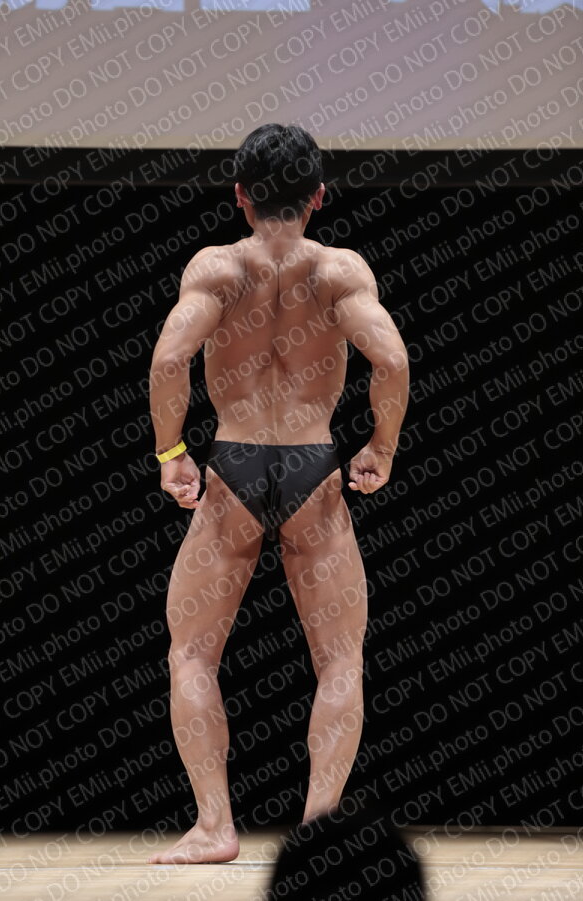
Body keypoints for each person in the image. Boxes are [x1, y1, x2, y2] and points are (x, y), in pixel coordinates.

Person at [147, 123, 409, 864]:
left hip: (232, 466)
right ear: (318, 196)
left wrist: (172, 453)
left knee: (192, 656)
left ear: (240, 195)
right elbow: (391, 361)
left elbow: (169, 358)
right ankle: (320, 831)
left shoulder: (217, 268)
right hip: (312, 468)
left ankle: (214, 826)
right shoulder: (339, 271)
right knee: (341, 660)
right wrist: (381, 446)